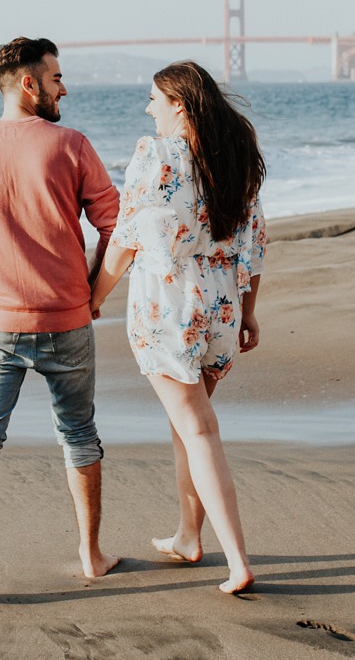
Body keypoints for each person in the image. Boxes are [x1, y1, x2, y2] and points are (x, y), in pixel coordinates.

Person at [0, 37, 123, 603]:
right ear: (28, 84)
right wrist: (92, 293)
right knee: (79, 434)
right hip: (66, 321)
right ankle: (91, 555)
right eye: (57, 77)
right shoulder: (72, 145)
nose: (65, 87)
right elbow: (118, 230)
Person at [88, 60, 267, 596]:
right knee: (187, 424)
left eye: (153, 99)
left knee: (198, 430)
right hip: (220, 311)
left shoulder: (156, 155)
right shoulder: (234, 158)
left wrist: (93, 298)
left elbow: (126, 237)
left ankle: (237, 560)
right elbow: (253, 243)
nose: (148, 109)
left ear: (179, 105)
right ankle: (190, 536)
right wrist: (250, 309)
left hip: (170, 315)